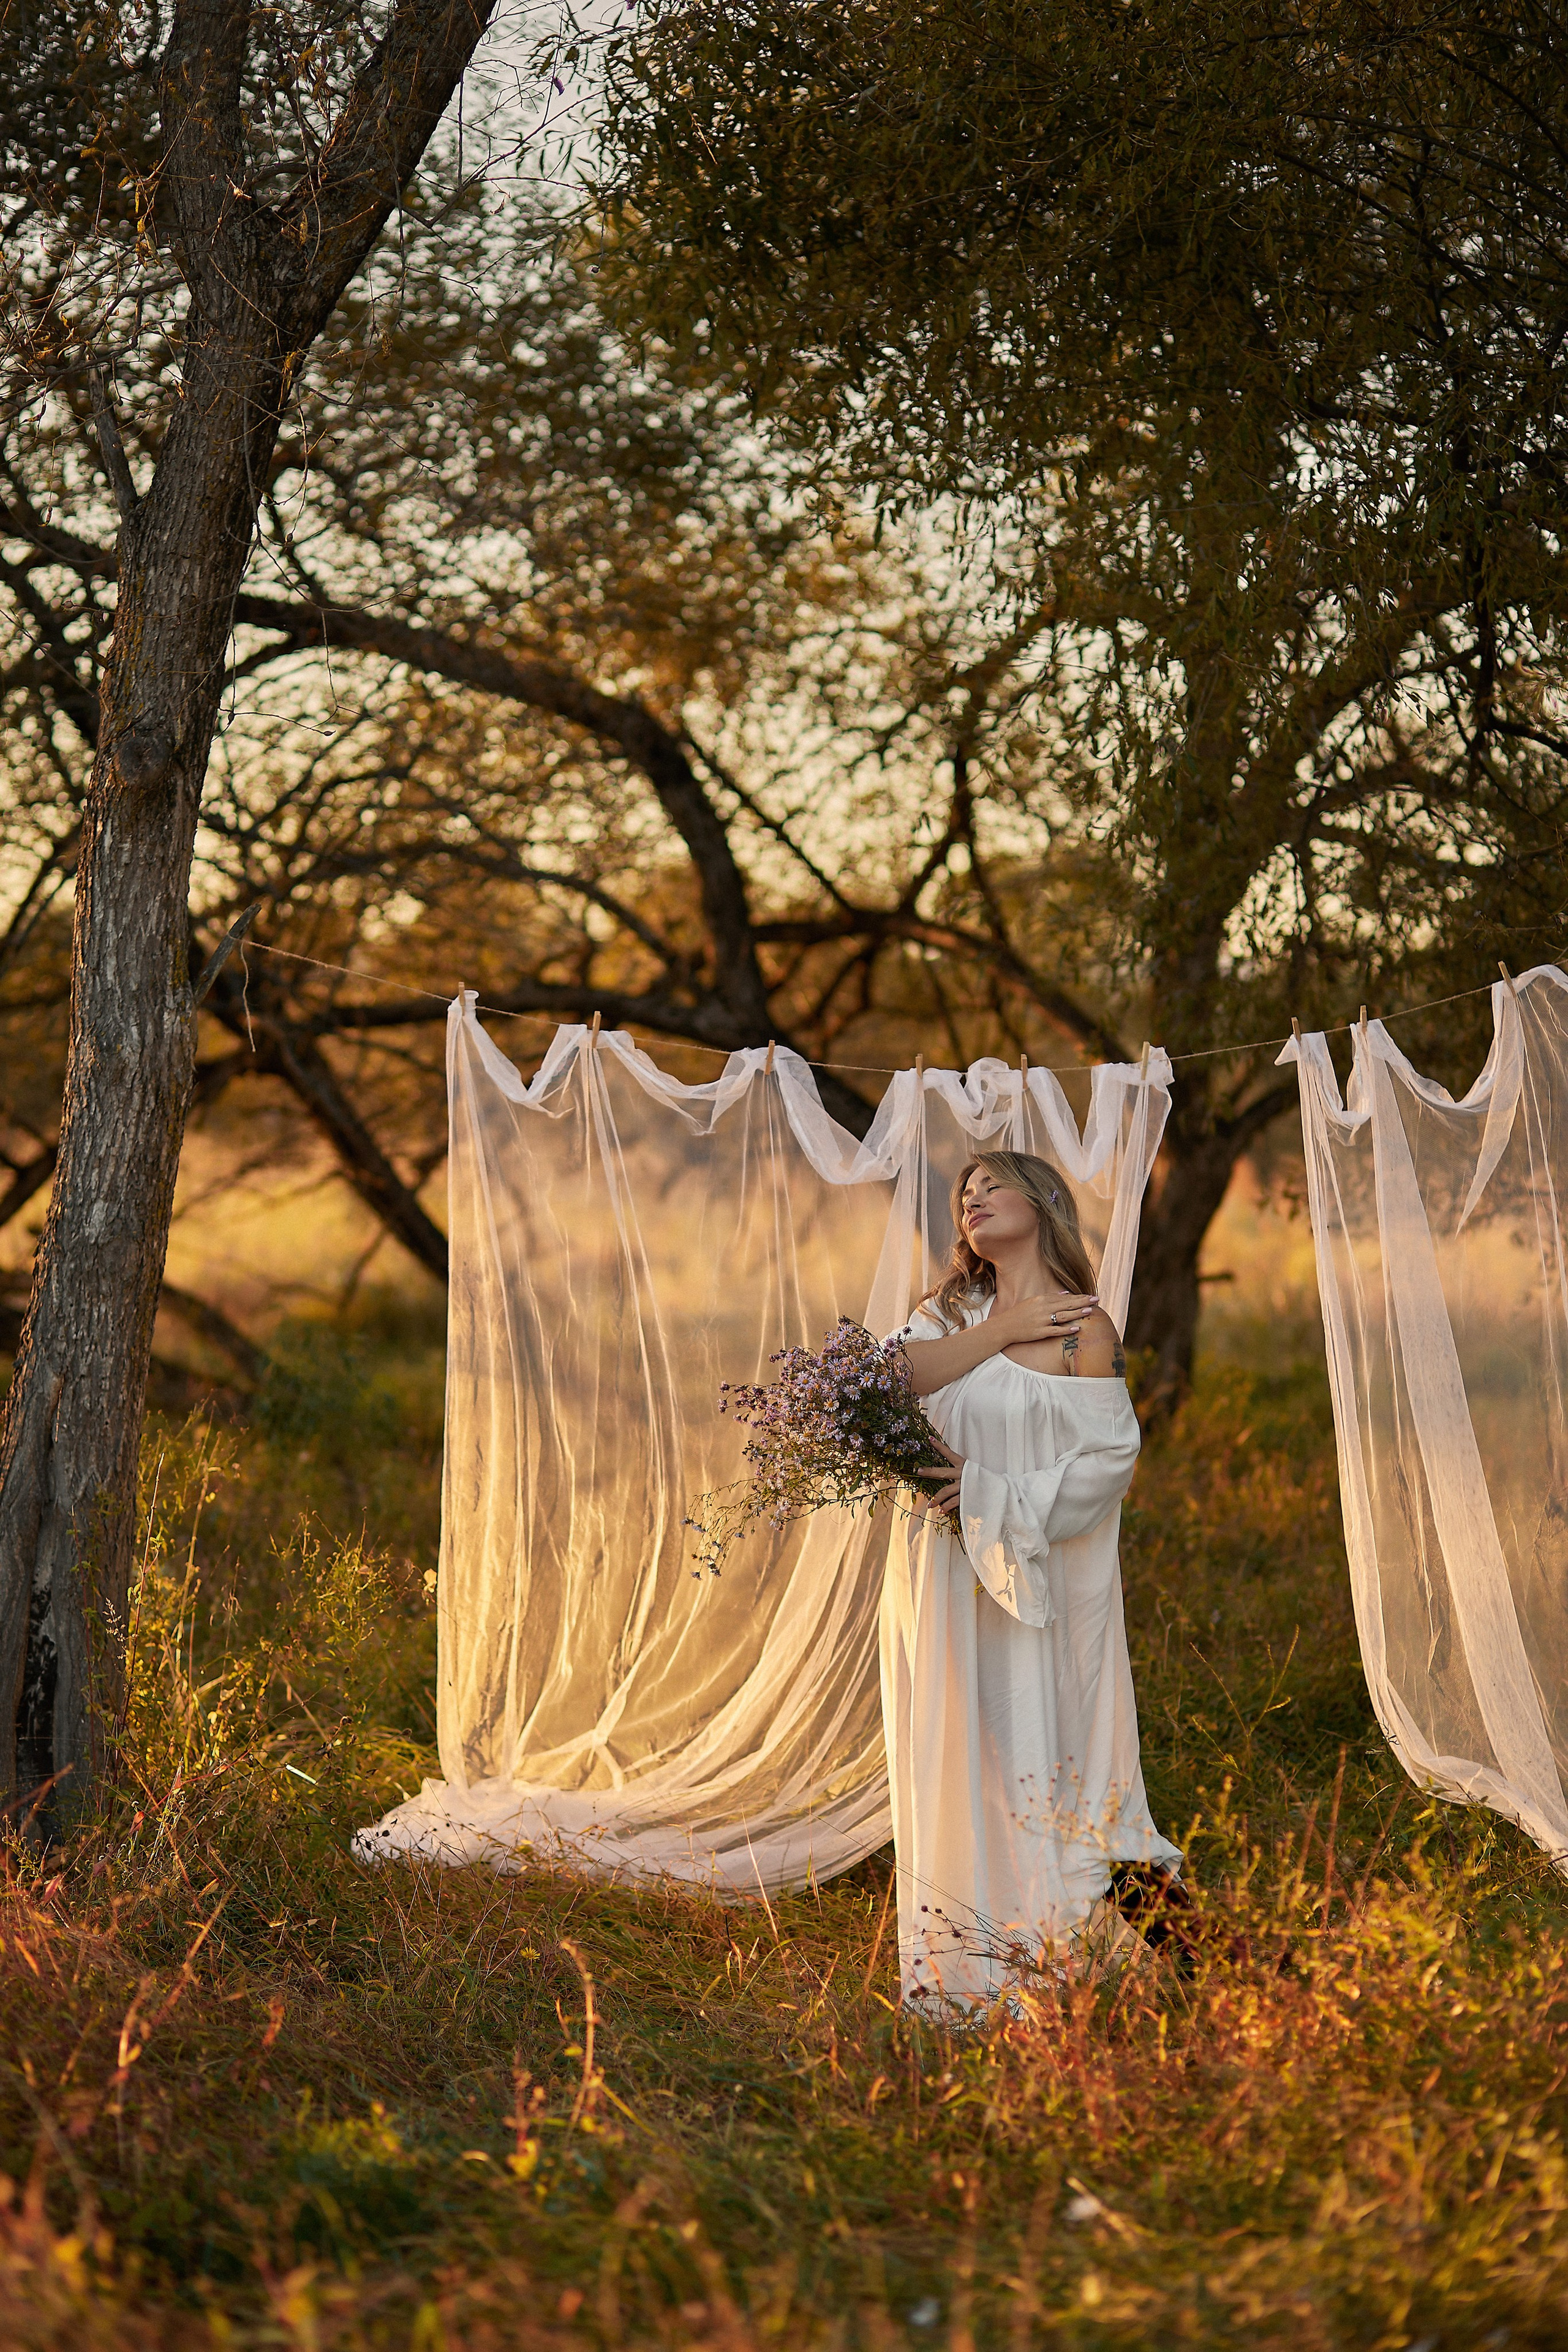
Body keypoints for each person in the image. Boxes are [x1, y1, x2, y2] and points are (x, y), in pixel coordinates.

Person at [883, 1149, 1181, 2005]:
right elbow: (895, 1382)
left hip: (1048, 1581)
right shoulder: (945, 1315)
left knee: (1064, 1760)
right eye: (963, 1195)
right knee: (965, 1758)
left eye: (989, 1185)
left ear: (1043, 1198)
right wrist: (1004, 1332)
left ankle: (1109, 1955)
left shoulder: (1087, 1329)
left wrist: (987, 1493)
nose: (971, 1201)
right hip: (943, 1575)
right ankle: (969, 1963)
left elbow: (1112, 1459)